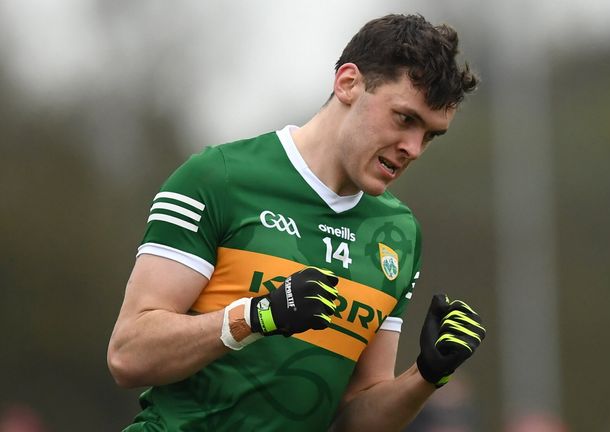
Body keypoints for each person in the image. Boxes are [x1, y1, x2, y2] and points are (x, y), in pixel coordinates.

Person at [107, 13, 486, 431]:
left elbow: (353, 419)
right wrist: (257, 316)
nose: (413, 147)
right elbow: (129, 354)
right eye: (405, 118)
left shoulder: (399, 234)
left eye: (430, 135)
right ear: (348, 83)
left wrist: (424, 377)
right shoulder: (219, 178)